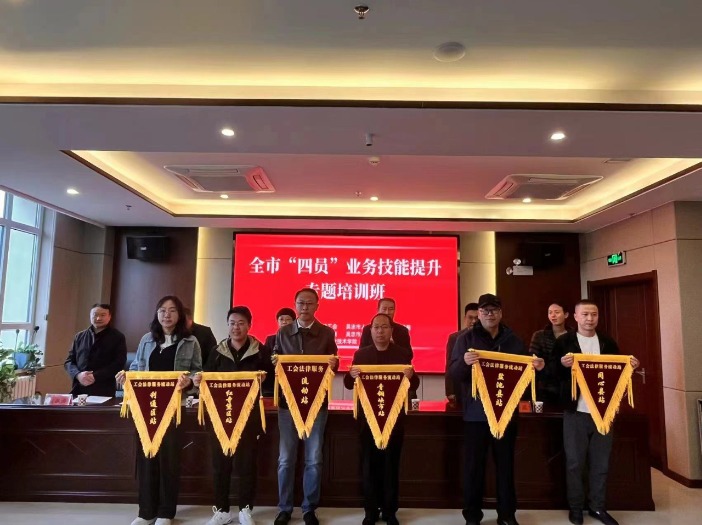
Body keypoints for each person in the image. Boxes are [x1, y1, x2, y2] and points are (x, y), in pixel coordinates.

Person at [449, 294, 544, 525]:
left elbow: (524, 375)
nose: (489, 314)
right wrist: (464, 363)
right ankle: (472, 516)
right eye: (485, 311)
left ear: (501, 313)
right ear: (479, 314)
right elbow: (454, 374)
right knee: (474, 468)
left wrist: (538, 367)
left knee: (505, 466)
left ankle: (507, 515)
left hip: (506, 413)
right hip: (476, 415)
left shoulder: (513, 340)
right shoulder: (465, 339)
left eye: (493, 310)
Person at [117, 295, 202, 525]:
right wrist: (127, 376)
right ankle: (146, 511)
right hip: (146, 407)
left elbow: (198, 372)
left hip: (174, 408)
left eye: (172, 310)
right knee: (147, 458)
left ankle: (165, 512)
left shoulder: (190, 341)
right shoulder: (146, 340)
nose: (167, 315)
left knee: (169, 460)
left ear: (179, 315)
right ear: (157, 314)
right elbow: (137, 367)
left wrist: (190, 381)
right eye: (162, 310)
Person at [555, 300, 639, 525]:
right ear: (575, 317)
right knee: (574, 463)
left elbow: (617, 374)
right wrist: (562, 366)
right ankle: (575, 508)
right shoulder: (564, 342)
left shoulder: (607, 342)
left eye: (594, 314)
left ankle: (598, 507)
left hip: (604, 412)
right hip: (575, 411)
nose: (590, 319)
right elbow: (550, 374)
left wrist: (631, 366)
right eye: (585, 314)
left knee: (601, 463)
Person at [194, 306, 273, 525]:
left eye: (240, 323)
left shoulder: (261, 351)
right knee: (221, 463)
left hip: (248, 417)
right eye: (232, 323)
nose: (236, 327)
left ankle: (246, 509)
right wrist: (199, 380)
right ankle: (222, 510)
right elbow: (207, 377)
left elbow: (272, 381)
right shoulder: (217, 351)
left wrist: (265, 379)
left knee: (247, 463)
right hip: (221, 416)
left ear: (249, 325)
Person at [344, 313, 419, 525]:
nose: (380, 331)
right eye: (376, 327)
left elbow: (414, 385)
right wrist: (351, 374)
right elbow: (349, 384)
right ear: (370, 331)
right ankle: (370, 510)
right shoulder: (361, 354)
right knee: (369, 465)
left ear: (391, 331)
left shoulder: (401, 354)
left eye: (384, 327)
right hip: (368, 420)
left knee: (390, 465)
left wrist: (411, 375)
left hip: (394, 420)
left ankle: (389, 511)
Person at [273, 288, 339, 525]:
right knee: (285, 459)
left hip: (316, 404)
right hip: (287, 405)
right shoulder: (283, 333)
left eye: (310, 303)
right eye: (301, 303)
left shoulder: (326, 333)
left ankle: (309, 508)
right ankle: (285, 508)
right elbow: (276, 360)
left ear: (317, 306)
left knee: (314, 459)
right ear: (295, 304)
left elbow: (333, 365)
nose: (305, 307)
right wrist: (274, 361)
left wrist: (333, 363)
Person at [64, 303, 127, 397]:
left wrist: (95, 376)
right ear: (90, 316)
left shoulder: (118, 337)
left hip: (104, 389)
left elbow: (119, 363)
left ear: (109, 317)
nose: (98, 318)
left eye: (103, 315)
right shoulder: (80, 336)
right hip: (79, 388)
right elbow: (69, 362)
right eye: (95, 315)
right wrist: (78, 375)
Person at [529, 302, 571, 404]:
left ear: (566, 314)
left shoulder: (573, 335)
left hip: (568, 386)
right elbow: (531, 359)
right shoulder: (539, 335)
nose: (553, 315)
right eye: (550, 312)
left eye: (557, 312)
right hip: (545, 386)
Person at [445, 302, 479, 404]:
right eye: (470, 318)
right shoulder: (455, 338)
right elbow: (449, 365)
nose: (473, 321)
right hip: (460, 388)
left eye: (476, 318)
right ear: (465, 318)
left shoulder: (486, 338)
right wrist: (450, 391)